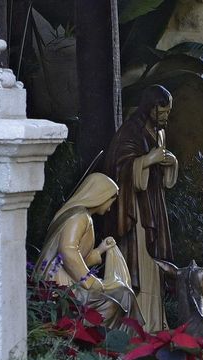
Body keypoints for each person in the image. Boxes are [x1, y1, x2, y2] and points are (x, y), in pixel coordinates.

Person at [95, 86, 179, 330]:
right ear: (149, 107)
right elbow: (118, 167)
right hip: (136, 211)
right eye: (161, 112)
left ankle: (155, 322)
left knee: (154, 265)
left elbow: (162, 173)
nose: (165, 118)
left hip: (154, 205)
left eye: (168, 113)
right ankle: (138, 327)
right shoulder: (130, 132)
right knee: (140, 261)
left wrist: (170, 163)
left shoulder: (159, 132)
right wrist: (147, 160)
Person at [35, 172, 135, 326]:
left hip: (67, 279)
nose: (109, 209)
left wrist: (100, 250)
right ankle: (95, 344)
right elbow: (68, 252)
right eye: (110, 201)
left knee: (120, 295)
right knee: (113, 302)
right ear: (99, 196)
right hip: (59, 284)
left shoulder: (82, 216)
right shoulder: (79, 217)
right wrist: (90, 281)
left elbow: (76, 258)